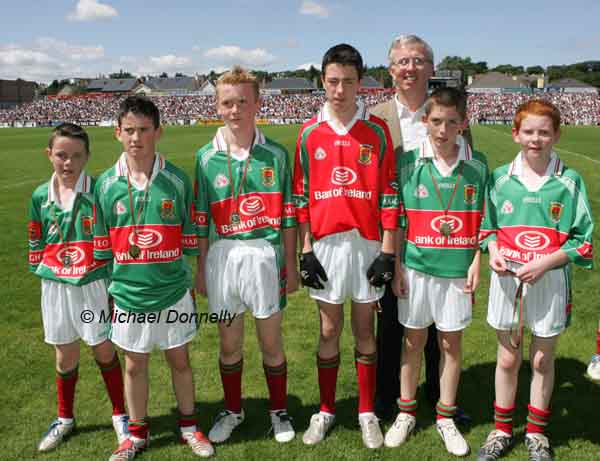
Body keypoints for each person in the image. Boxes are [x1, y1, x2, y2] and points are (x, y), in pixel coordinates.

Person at [94, 96, 214, 460]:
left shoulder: (176, 180)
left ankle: (190, 427)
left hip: (173, 289)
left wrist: (196, 277)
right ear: (117, 133)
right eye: (129, 130)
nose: (136, 138)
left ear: (158, 132)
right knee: (135, 363)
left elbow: (191, 236)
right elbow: (102, 248)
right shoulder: (105, 185)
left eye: (144, 130)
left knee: (180, 360)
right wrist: (107, 294)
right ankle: (136, 434)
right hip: (129, 292)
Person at [293, 43, 398, 449]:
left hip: (367, 244)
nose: (340, 90)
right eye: (333, 81)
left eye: (349, 82)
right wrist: (305, 250)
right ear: (323, 80)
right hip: (326, 246)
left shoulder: (377, 131)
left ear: (361, 83)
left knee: (364, 330)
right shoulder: (308, 133)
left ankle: (367, 411)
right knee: (329, 329)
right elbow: (300, 196)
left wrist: (388, 251)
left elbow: (389, 193)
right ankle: (325, 409)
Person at [477, 100, 594, 461]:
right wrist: (493, 250)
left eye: (544, 132)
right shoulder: (499, 178)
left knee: (542, 360)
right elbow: (485, 228)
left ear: (557, 135)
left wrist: (546, 262)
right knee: (508, 359)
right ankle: (500, 429)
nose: (536, 138)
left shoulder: (569, 181)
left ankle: (537, 433)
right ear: (515, 134)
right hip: (507, 280)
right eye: (529, 131)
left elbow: (584, 241)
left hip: (550, 280)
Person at [194, 66, 298, 444]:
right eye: (227, 103)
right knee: (228, 344)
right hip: (222, 256)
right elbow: (202, 218)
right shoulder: (206, 158)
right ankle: (233, 410)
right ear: (217, 107)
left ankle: (279, 411)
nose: (235, 109)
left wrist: (291, 264)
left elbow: (288, 215)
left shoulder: (276, 155)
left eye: (242, 101)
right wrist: (202, 270)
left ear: (257, 104)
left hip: (264, 256)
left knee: (271, 342)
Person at [383, 88, 487, 457]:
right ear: (425, 121)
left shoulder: (477, 166)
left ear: (463, 123)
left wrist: (477, 259)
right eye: (437, 121)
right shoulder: (409, 163)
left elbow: (483, 221)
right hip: (417, 268)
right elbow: (397, 219)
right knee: (412, 341)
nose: (443, 130)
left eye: (452, 122)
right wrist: (397, 266)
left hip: (457, 270)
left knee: (450, 344)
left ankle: (445, 417)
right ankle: (406, 412)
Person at [370, 35, 463, 420]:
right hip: (390, 234)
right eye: (403, 61)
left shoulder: (446, 112)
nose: (410, 68)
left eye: (418, 60)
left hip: (438, 234)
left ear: (431, 68)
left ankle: (440, 397)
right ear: (391, 69)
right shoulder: (374, 116)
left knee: (441, 322)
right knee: (390, 320)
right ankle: (387, 396)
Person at [28, 123, 129, 452]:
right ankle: (65, 418)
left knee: (102, 348)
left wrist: (114, 289)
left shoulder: (98, 191)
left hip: (92, 283)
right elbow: (37, 239)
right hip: (56, 285)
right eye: (61, 155)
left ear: (87, 157)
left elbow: (113, 244)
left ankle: (120, 415)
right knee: (65, 353)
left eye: (75, 156)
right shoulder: (40, 196)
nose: (67, 163)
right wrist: (43, 268)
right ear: (49, 155)